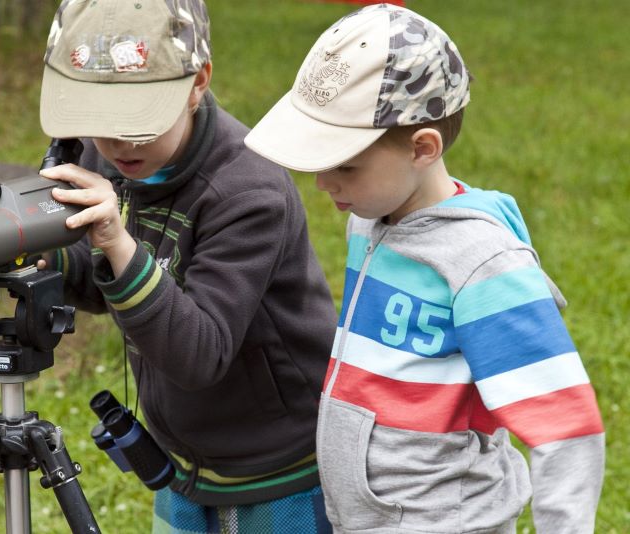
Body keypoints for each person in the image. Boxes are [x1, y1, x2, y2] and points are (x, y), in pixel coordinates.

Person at [244, 4, 605, 533]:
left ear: (423, 148)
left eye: (344, 164)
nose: (323, 184)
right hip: (373, 516)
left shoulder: (482, 264)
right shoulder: (369, 222)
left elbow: (563, 423)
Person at [36, 0, 337, 532]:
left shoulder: (249, 191)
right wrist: (47, 255)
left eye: (140, 120)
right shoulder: (109, 156)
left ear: (198, 82)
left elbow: (199, 353)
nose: (118, 143)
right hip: (181, 460)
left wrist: (117, 242)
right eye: (98, 121)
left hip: (277, 468)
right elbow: (105, 284)